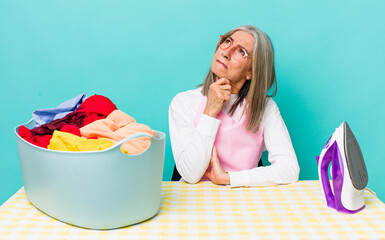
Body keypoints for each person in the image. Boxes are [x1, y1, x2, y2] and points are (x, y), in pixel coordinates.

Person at [168, 25, 300, 187]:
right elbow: (191, 174)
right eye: (227, 41)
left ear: (251, 72)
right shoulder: (184, 102)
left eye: (241, 51)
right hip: (194, 203)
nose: (226, 52)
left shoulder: (265, 107)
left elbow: (290, 169)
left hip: (243, 202)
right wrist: (210, 111)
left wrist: (227, 178)